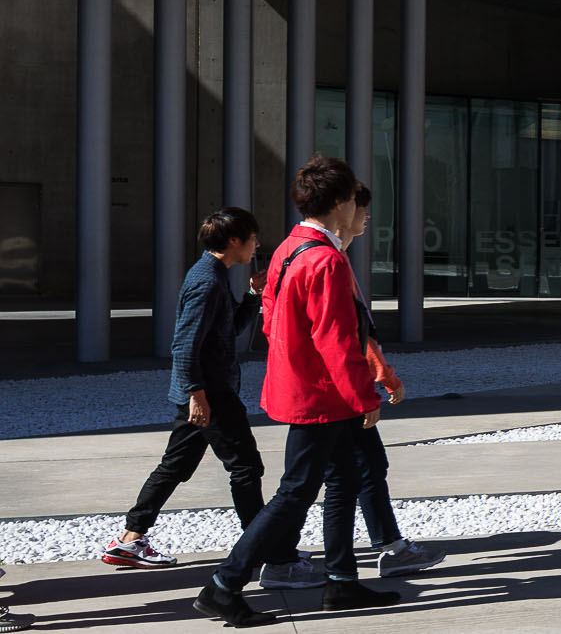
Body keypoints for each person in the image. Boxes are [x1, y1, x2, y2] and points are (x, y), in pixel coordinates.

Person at [192, 158, 400, 628]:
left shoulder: (289, 248)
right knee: (295, 492)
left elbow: (271, 318)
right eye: (353, 201)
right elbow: (336, 339)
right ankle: (223, 586)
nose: (358, 210)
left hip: (301, 386)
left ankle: (342, 582)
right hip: (321, 393)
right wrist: (364, 397)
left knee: (342, 479)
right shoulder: (325, 258)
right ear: (340, 203)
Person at [102, 208, 324, 593]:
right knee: (247, 468)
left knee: (175, 466)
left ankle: (129, 539)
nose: (257, 245)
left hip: (206, 393)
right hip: (211, 395)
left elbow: (227, 331)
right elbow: (185, 344)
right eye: (253, 238)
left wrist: (253, 295)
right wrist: (197, 396)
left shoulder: (215, 275)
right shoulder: (206, 281)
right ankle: (269, 552)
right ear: (235, 241)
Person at [322, 184, 444, 579]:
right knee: (308, 484)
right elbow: (346, 338)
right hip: (334, 394)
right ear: (341, 207)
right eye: (361, 207)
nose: (367, 215)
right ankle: (257, 565)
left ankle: (380, 552)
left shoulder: (325, 255)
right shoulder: (326, 260)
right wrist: (376, 386)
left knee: (358, 470)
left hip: (332, 392)